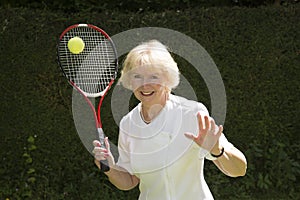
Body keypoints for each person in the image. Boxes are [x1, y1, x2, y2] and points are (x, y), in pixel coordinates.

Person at [92, 40, 247, 199]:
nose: (145, 85)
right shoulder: (128, 124)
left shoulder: (193, 113)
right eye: (137, 76)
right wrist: (110, 168)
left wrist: (216, 150)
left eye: (153, 76)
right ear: (129, 81)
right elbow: (130, 181)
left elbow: (239, 169)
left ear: (168, 78)